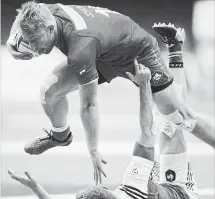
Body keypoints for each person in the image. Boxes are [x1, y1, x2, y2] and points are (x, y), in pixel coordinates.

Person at [6, 1, 215, 184]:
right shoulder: (41, 13)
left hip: (137, 53)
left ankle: (175, 50)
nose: (34, 48)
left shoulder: (80, 48)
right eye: (29, 42)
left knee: (179, 117)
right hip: (103, 52)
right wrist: (12, 43)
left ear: (51, 29)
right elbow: (22, 17)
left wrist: (93, 150)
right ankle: (61, 136)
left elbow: (89, 104)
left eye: (36, 42)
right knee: (48, 92)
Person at [8, 54, 199, 199]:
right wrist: (144, 86)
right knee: (171, 124)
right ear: (106, 189)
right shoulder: (133, 186)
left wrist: (36, 188)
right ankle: (175, 50)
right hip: (181, 194)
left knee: (154, 163)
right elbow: (148, 130)